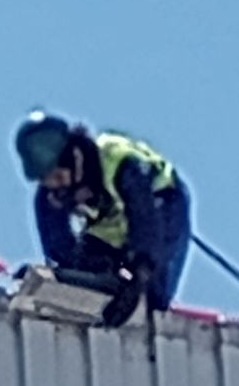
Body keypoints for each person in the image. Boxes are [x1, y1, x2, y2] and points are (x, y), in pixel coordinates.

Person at [12, 110, 192, 316]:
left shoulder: (120, 164)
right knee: (89, 265)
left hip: (162, 207)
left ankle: (151, 299)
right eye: (50, 184)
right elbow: (59, 250)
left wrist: (137, 277)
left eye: (60, 179)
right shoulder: (50, 195)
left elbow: (145, 221)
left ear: (76, 158)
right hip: (111, 223)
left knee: (150, 287)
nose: (62, 193)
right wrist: (62, 277)